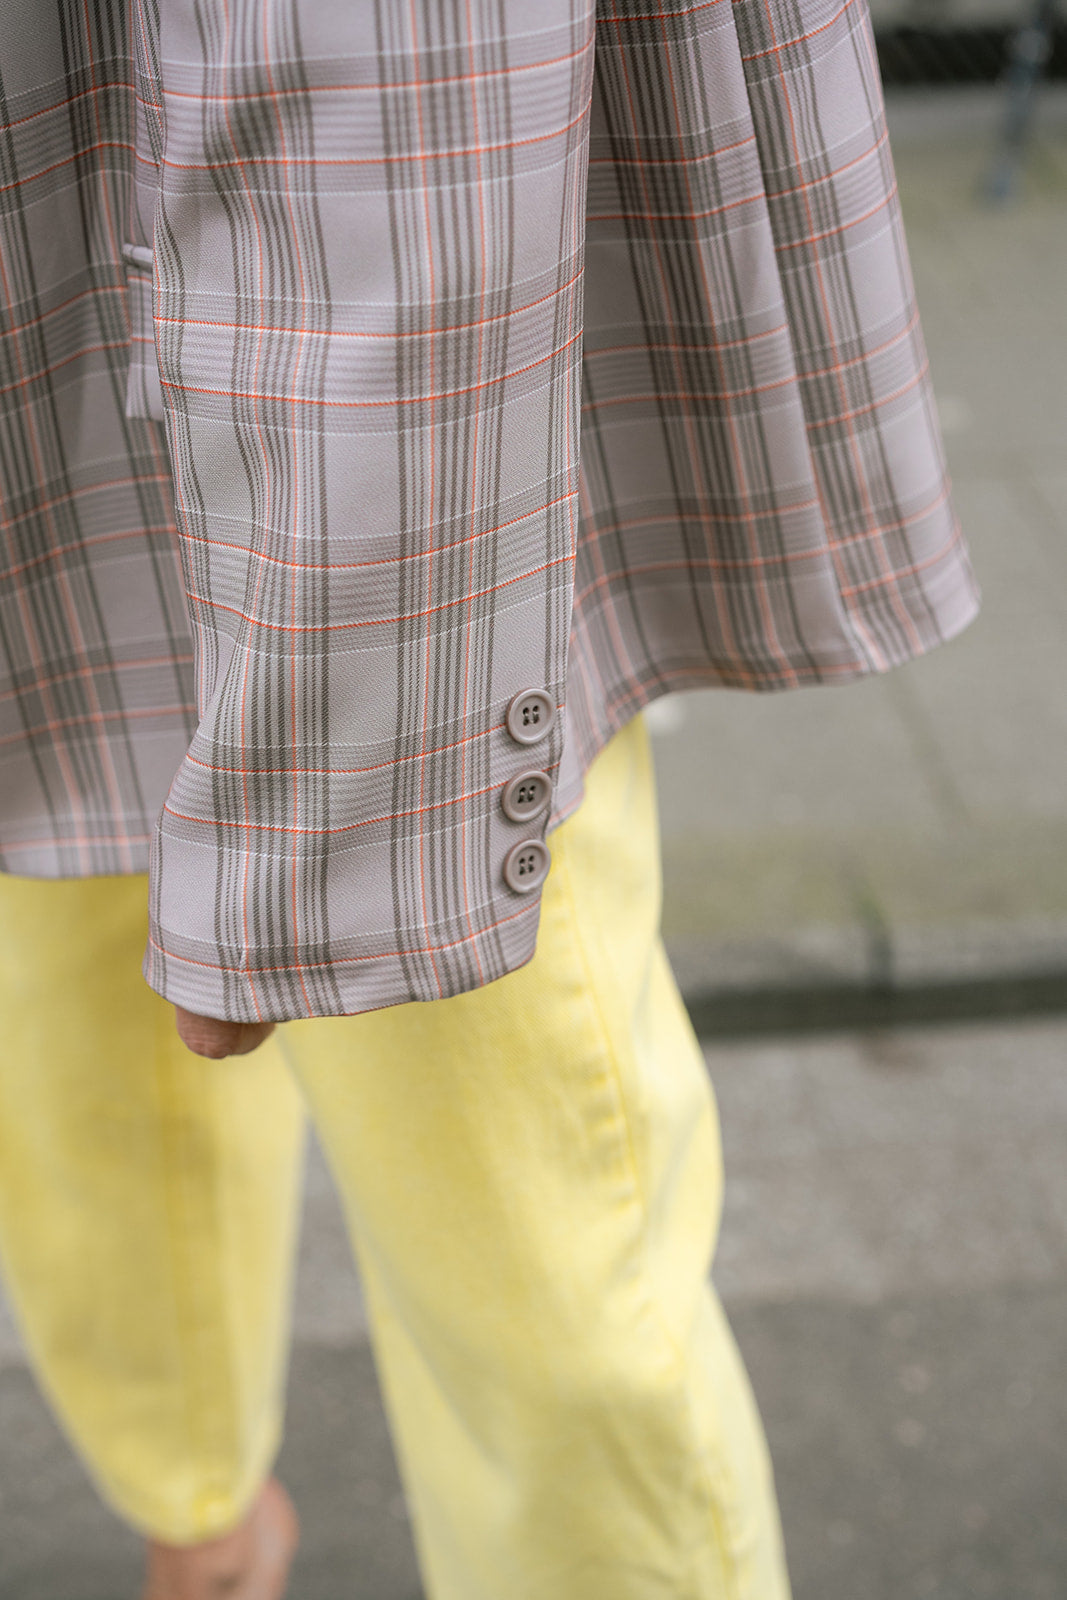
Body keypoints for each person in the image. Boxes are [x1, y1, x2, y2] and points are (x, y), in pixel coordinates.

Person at [0, 2, 978, 1597]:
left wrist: (334, 743)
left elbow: (410, 109)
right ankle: (201, 1522)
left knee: (532, 1242)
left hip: (402, 406)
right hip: (63, 219)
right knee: (67, 973)